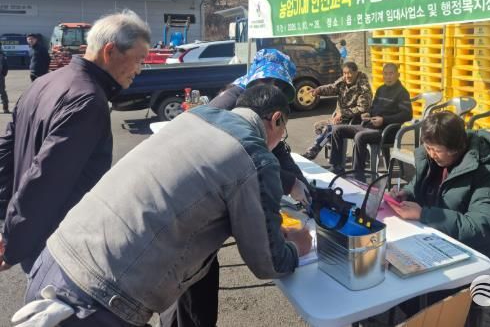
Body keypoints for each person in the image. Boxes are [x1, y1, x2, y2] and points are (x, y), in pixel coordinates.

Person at [17, 85, 312, 326]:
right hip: (97, 302)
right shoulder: (255, 156)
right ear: (277, 120)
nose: (279, 141)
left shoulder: (194, 117)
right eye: (283, 133)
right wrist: (297, 246)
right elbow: (269, 262)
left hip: (54, 262)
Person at [159, 48, 311, 327]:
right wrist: (291, 244)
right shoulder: (230, 103)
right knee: (189, 305)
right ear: (260, 80)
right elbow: (250, 160)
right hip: (186, 226)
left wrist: (299, 181)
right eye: (273, 83)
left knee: (193, 296)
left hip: (185, 219)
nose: (275, 90)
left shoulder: (255, 106)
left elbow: (277, 151)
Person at [0, 11, 151, 273]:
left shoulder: (44, 82)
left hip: (34, 232)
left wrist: (7, 221)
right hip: (57, 243)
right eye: (138, 60)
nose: (139, 70)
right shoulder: (88, 100)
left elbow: (5, 152)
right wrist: (14, 243)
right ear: (110, 51)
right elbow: (46, 178)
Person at [388, 111, 490, 279]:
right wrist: (406, 194)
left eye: (437, 150)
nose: (431, 154)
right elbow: (418, 185)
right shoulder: (434, 160)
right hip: (439, 240)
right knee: (389, 264)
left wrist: (424, 214)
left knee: (410, 284)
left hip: (479, 253)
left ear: (456, 148)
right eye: (428, 147)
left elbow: (480, 229)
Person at [329, 63, 412, 177]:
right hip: (370, 125)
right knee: (337, 130)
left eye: (391, 74)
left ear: (398, 75)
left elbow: (407, 115)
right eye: (385, 74)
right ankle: (337, 167)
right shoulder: (381, 89)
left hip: (387, 131)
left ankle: (358, 175)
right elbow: (373, 108)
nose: (388, 77)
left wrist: (384, 120)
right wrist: (368, 114)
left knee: (360, 136)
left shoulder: (402, 92)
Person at [301, 61, 372, 162]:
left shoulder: (363, 87)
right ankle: (345, 152)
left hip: (355, 120)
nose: (347, 76)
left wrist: (342, 113)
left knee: (330, 129)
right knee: (319, 126)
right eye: (344, 73)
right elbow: (332, 88)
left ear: (356, 72)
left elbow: (363, 108)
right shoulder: (343, 81)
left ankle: (313, 151)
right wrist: (318, 90)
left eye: (349, 73)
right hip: (340, 118)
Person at [0, 46, 8, 113]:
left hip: (0, 76)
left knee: (2, 92)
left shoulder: (2, 55)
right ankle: (5, 108)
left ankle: (5, 108)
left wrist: (3, 74)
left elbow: (5, 66)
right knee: (3, 92)